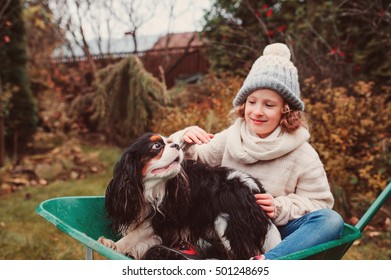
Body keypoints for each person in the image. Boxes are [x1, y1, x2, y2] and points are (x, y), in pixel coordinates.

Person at [169, 43, 344, 260]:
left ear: (286, 110)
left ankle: (264, 264)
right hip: (224, 225)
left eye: (269, 105)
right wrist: (184, 140)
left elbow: (320, 203)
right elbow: (192, 165)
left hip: (275, 232)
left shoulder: (303, 154)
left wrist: (279, 206)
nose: (257, 112)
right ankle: (195, 251)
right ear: (243, 104)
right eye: (252, 102)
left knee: (331, 220)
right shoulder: (231, 137)